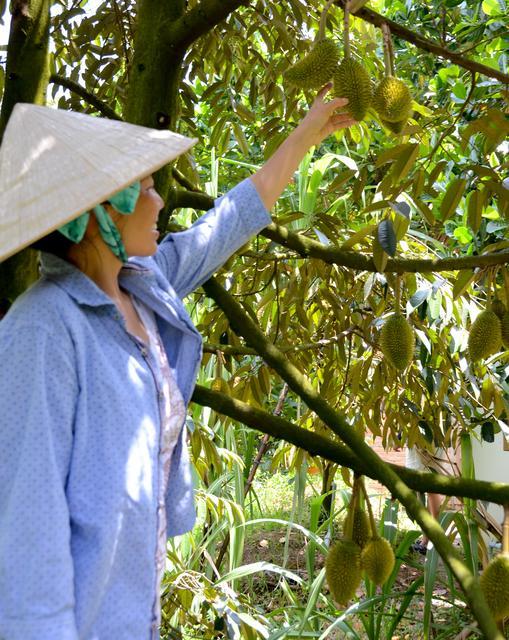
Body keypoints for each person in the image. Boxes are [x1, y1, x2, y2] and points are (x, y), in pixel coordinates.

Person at [0, 88, 353, 640]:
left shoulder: (143, 288)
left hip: (132, 607)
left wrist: (308, 131)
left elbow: (230, 222)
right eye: (143, 187)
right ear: (97, 213)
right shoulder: (41, 330)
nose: (160, 199)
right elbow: (27, 526)